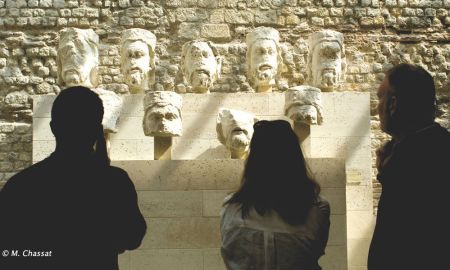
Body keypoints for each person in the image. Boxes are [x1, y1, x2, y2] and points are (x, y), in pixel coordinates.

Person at [0, 86, 146, 270]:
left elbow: (8, 252)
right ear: (97, 131)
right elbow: (132, 238)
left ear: (54, 128)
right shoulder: (115, 182)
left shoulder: (21, 185)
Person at [368, 63, 450, 270]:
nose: (376, 107)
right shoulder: (429, 145)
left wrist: (390, 170)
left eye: (380, 97)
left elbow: (405, 232)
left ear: (393, 104)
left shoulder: (417, 157)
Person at [220, 120, 330, 270]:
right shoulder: (317, 209)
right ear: (294, 158)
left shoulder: (230, 208)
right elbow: (316, 251)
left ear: (254, 160)